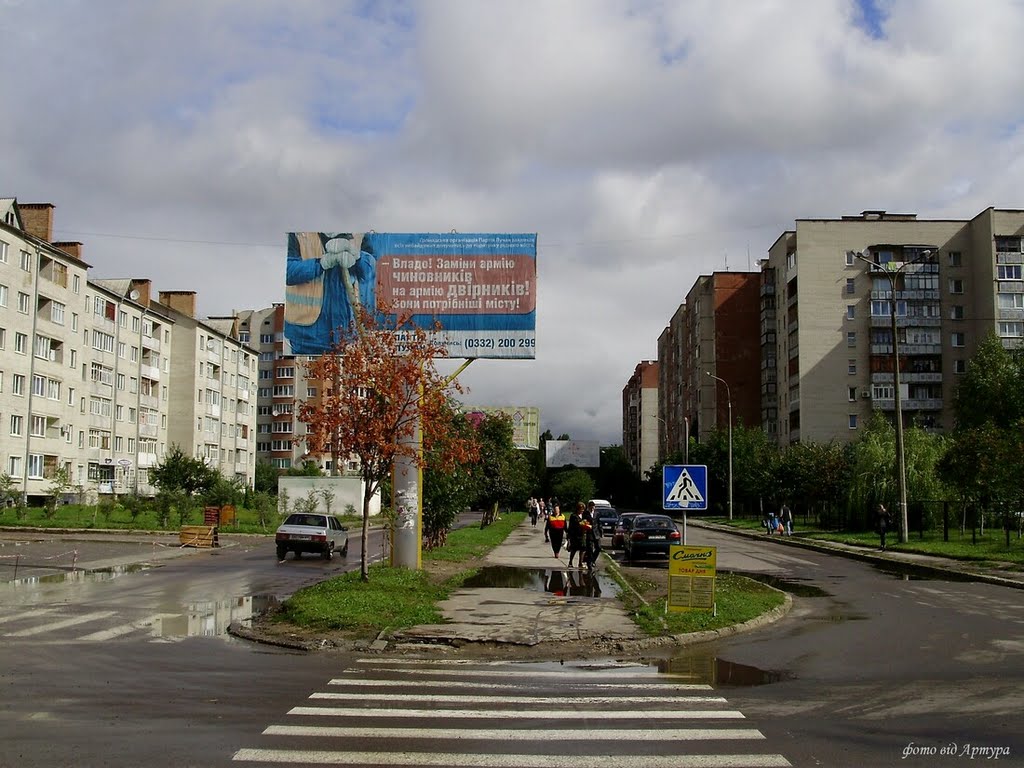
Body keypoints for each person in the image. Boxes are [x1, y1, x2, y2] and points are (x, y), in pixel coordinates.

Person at [284, 231, 377, 355]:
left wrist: (358, 257)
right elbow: (287, 271)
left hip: (346, 333)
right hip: (307, 336)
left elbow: (369, 270)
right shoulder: (298, 233)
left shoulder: (360, 232)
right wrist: (321, 264)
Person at [584, 501, 602, 569]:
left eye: (593, 507)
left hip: (596, 533)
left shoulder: (596, 513)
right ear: (588, 507)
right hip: (589, 533)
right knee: (590, 549)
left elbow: (599, 523)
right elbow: (583, 522)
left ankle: (592, 560)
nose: (592, 509)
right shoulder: (585, 514)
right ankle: (589, 563)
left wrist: (601, 532)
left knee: (598, 547)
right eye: (590, 507)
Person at [566, 502, 585, 567]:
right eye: (581, 509)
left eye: (583, 509)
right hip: (575, 535)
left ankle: (580, 563)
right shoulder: (573, 516)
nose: (582, 511)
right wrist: (569, 536)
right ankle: (570, 562)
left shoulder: (583, 516)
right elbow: (573, 525)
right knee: (574, 549)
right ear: (577, 509)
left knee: (582, 549)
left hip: (582, 534)